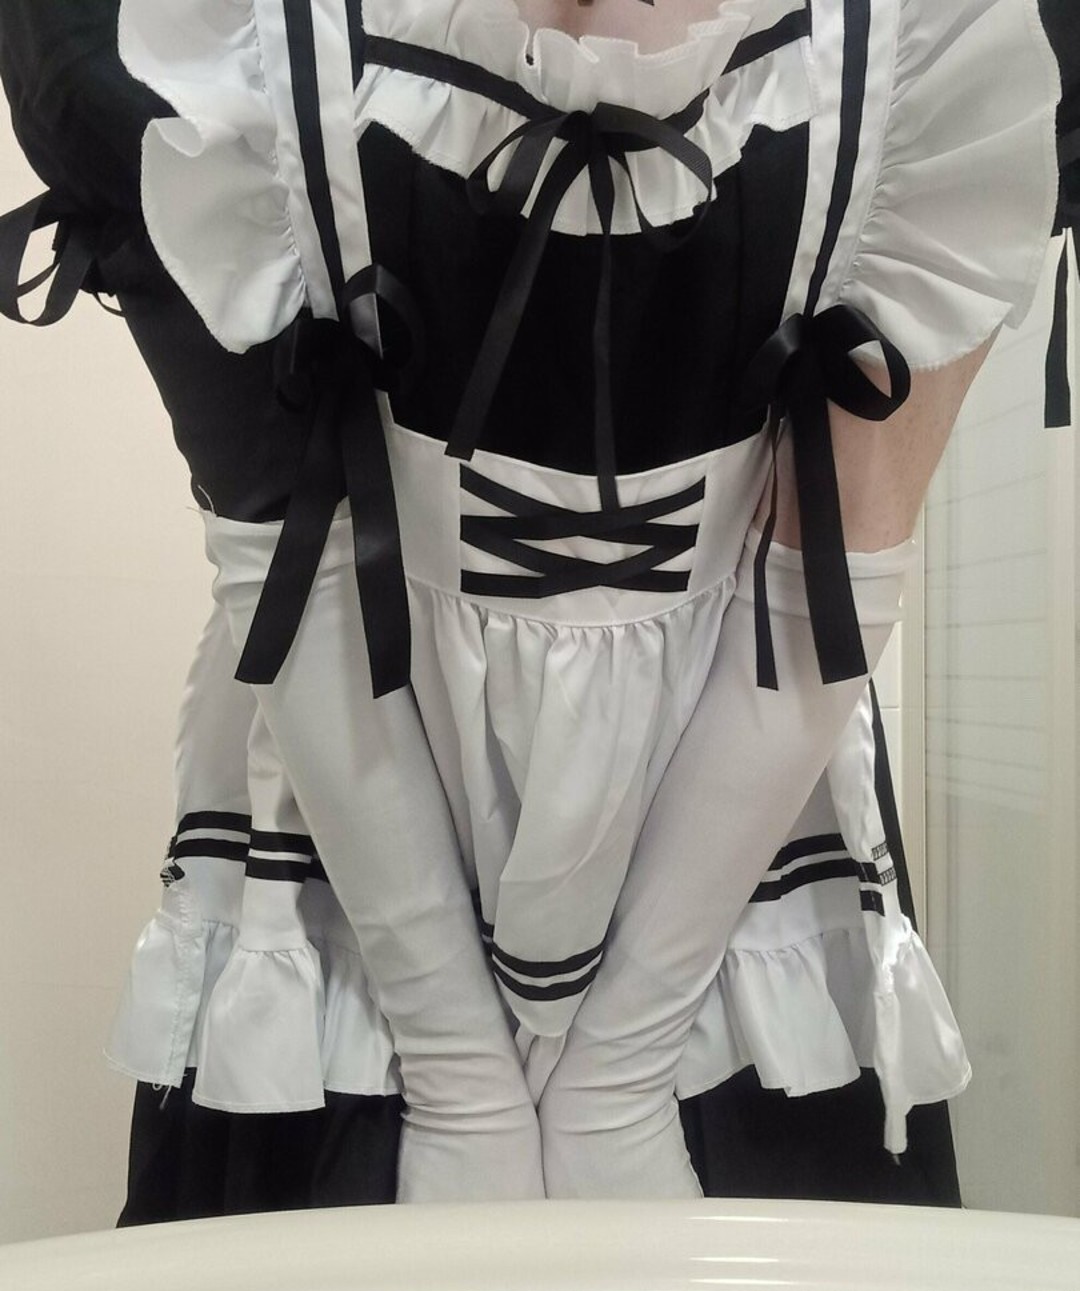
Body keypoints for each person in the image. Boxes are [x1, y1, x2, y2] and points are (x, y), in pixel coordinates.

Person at [0, 0, 1070, 1207]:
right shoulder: (200, 33)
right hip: (347, 841)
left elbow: (835, 563)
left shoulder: (935, 41)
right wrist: (455, 1067)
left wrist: (622, 1063)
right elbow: (285, 558)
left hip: (741, 842)